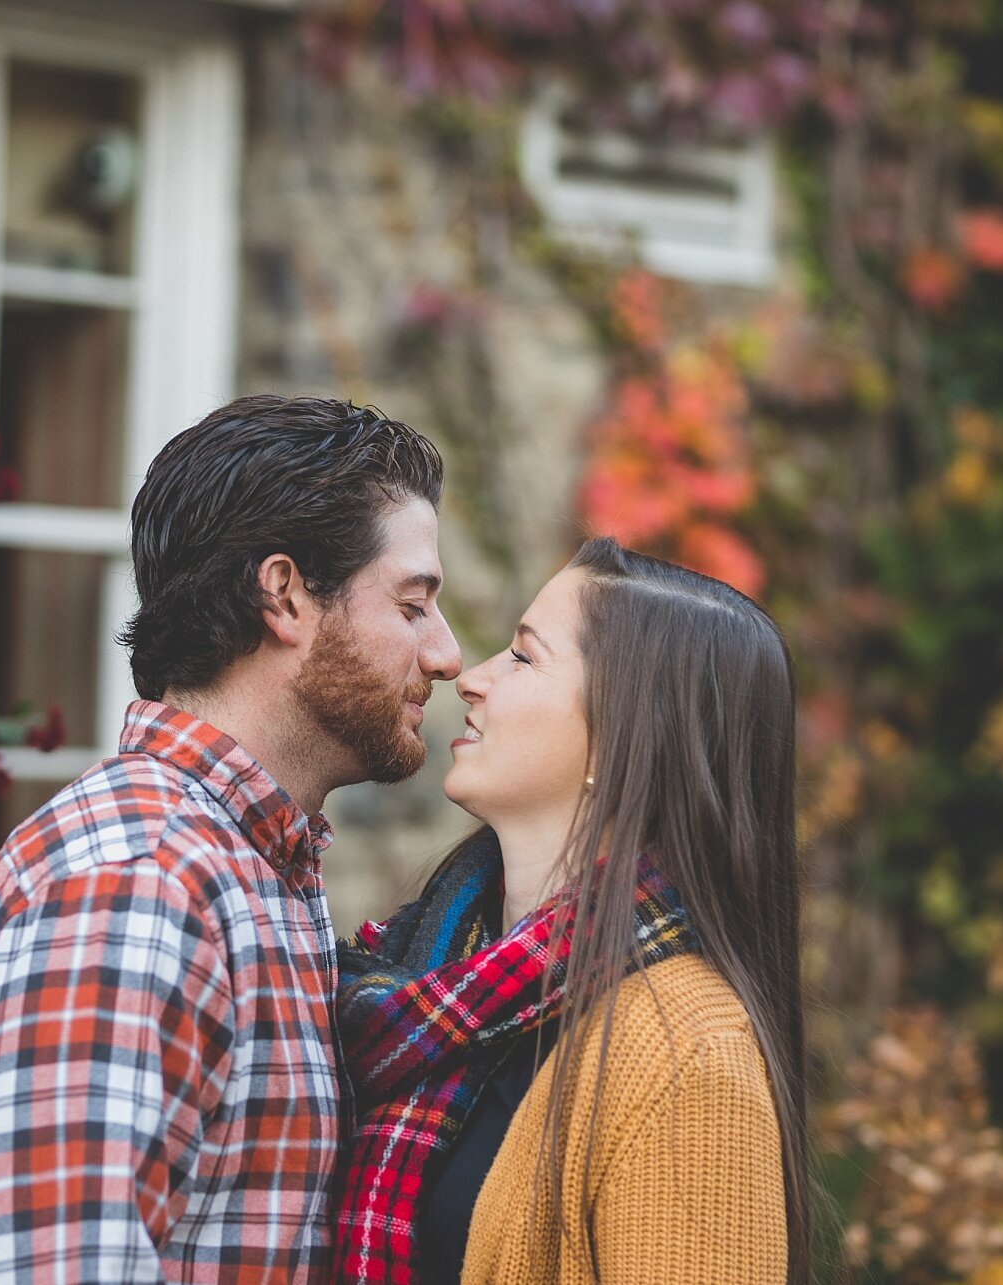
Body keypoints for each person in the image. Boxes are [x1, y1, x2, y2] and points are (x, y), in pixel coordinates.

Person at [0, 395, 463, 1284]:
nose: (446, 654)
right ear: (285, 594)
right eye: (413, 605)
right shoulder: (138, 883)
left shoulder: (246, 865)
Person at [334, 537, 811, 1285]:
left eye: (523, 657)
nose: (473, 676)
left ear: (625, 735)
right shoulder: (443, 976)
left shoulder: (688, 1054)